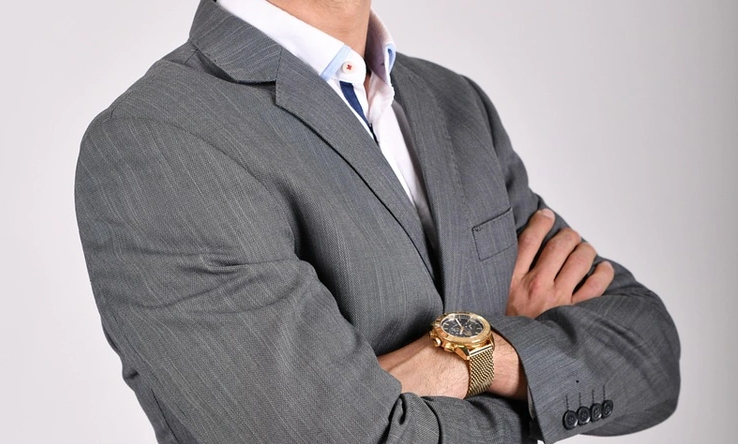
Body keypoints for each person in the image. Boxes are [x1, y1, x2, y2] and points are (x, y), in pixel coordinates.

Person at [75, 0, 681, 442]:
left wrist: (475, 356)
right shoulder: (157, 139)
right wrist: (538, 385)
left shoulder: (452, 102)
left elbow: (648, 356)